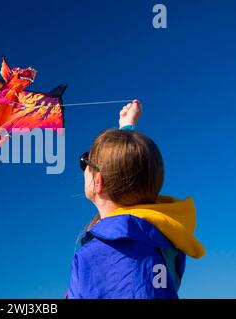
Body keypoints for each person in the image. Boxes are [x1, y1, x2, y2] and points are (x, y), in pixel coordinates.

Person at [66, 100, 205, 299]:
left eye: (85, 161)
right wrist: (127, 129)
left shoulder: (100, 254)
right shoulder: (159, 235)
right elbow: (136, 177)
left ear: (98, 181)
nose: (84, 168)